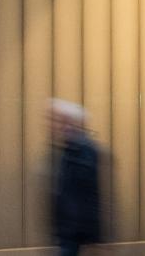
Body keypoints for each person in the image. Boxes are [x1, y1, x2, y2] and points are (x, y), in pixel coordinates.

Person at [51, 100, 102, 256]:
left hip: (75, 230)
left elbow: (91, 194)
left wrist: (95, 237)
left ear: (77, 124)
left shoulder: (85, 151)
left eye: (66, 122)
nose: (62, 127)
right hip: (69, 230)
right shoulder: (68, 150)